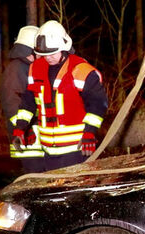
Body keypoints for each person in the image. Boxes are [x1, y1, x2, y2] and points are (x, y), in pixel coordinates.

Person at [11, 20, 108, 170]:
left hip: (77, 149)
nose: (48, 57)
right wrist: (20, 128)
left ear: (64, 47)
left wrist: (89, 132)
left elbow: (98, 105)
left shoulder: (82, 71)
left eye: (52, 53)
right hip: (48, 150)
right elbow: (28, 103)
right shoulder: (35, 69)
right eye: (44, 54)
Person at [1, 25, 46, 171]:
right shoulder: (17, 70)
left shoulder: (29, 68)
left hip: (34, 137)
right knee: (33, 177)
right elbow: (12, 105)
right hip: (27, 141)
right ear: (31, 50)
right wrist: (24, 129)